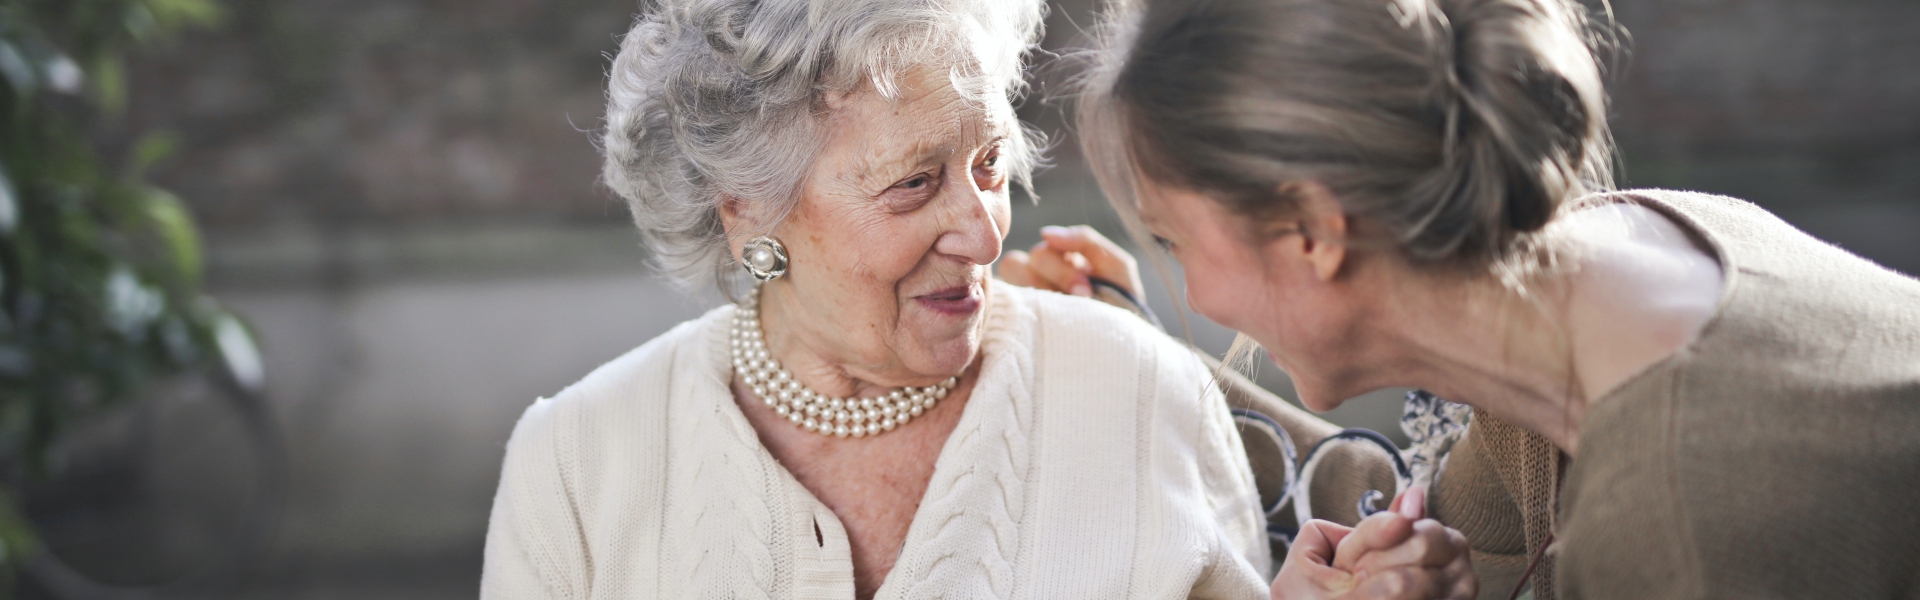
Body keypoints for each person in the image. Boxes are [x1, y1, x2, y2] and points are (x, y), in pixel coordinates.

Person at [475, 0, 1450, 597]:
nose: (986, 231)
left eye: (988, 164)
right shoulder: (577, 461)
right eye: (913, 182)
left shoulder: (1138, 389)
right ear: (746, 211)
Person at [1031, 0, 1920, 597]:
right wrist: (1134, 351)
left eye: (1176, 242)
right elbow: (1394, 510)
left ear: (1311, 230)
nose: (1192, 291)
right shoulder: (1603, 279)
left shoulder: (1682, 525)